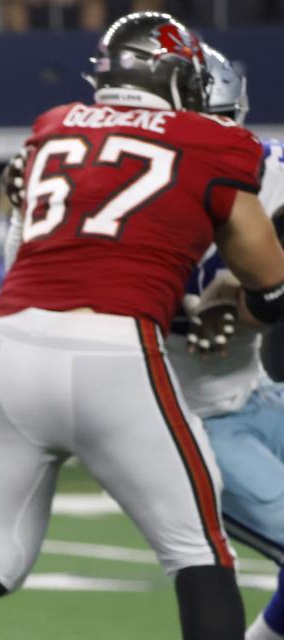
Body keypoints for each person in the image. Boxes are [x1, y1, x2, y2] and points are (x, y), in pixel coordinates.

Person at [0, 12, 284, 640]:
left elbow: (27, 253)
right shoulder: (216, 141)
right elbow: (267, 279)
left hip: (9, 342)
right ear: (180, 79)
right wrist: (242, 306)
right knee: (199, 555)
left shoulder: (52, 127)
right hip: (114, 349)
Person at [165, 46, 284, 640]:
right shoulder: (132, 188)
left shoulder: (274, 169)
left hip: (255, 390)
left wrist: (247, 284)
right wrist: (190, 306)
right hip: (184, 413)